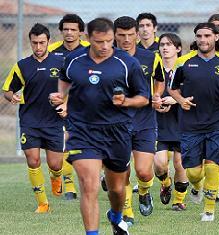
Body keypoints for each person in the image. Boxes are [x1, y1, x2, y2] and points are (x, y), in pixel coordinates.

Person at [49, 17, 149, 235]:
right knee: (89, 185)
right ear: (87, 38)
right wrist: (61, 97)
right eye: (99, 42)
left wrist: (127, 102)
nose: (105, 47)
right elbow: (65, 79)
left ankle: (115, 215)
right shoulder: (74, 60)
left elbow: (144, 97)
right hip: (82, 130)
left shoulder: (127, 63)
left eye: (109, 41)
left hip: (117, 131)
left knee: (116, 190)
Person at [168, 22, 219, 222]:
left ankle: (209, 211)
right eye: (199, 36)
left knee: (212, 165)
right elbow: (172, 88)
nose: (203, 40)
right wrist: (181, 100)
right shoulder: (183, 62)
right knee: (194, 173)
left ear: (216, 37)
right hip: (191, 123)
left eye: (207, 36)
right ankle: (196, 187)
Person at [2, 23, 64, 213]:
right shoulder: (22, 66)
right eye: (34, 43)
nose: (38, 47)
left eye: (42, 43)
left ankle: (56, 177)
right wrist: (11, 96)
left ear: (48, 42)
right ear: (30, 42)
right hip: (30, 121)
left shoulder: (60, 63)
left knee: (55, 164)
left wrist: (65, 101)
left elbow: (74, 88)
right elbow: (7, 89)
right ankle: (43, 204)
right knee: (33, 160)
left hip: (54, 121)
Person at [113, 16, 165, 224]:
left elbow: (160, 80)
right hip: (117, 124)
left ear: (136, 34)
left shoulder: (151, 57)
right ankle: (128, 213)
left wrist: (156, 95)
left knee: (143, 172)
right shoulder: (107, 59)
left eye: (130, 35)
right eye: (121, 35)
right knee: (122, 171)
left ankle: (144, 192)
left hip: (144, 122)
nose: (126, 39)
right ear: (114, 36)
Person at [48, 13, 89, 200]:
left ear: (81, 32)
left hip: (86, 107)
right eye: (66, 29)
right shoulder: (51, 51)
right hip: (57, 107)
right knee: (66, 144)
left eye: (73, 29)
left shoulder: (90, 50)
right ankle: (70, 187)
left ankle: (103, 174)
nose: (69, 33)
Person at [155, 33, 189, 211]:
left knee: (179, 163)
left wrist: (176, 100)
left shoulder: (186, 68)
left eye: (169, 44)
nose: (165, 48)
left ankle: (179, 200)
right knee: (160, 164)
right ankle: (165, 183)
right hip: (159, 123)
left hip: (182, 123)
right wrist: (156, 102)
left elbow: (196, 94)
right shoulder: (155, 69)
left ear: (178, 48)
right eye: (162, 44)